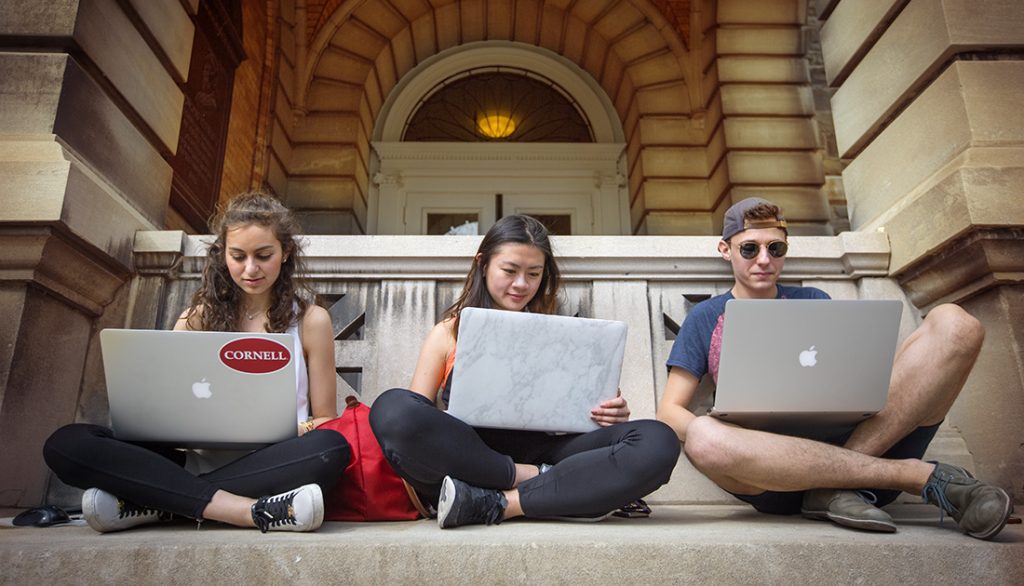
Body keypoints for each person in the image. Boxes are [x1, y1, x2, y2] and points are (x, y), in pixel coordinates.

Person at [657, 197, 1013, 540]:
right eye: (750, 249)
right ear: (726, 250)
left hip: (855, 439)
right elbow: (670, 412)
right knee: (703, 435)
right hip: (772, 471)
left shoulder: (813, 301)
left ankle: (829, 489)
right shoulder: (706, 317)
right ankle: (916, 477)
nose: (764, 260)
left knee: (956, 323)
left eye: (776, 249)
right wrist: (732, 428)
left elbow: (850, 381)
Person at [43, 193, 350, 533]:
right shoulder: (198, 317)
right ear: (223, 254)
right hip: (189, 459)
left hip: (268, 460)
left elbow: (325, 420)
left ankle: (156, 502)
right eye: (238, 256)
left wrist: (285, 428)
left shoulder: (311, 321)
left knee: (330, 449)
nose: (250, 269)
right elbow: (169, 401)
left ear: (286, 252)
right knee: (67, 444)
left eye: (264, 256)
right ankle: (249, 511)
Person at [370, 214, 680, 529]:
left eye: (534, 273)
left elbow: (586, 416)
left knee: (658, 440)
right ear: (483, 264)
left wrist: (609, 413)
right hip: (472, 459)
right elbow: (414, 418)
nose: (522, 284)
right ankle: (548, 484)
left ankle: (496, 504)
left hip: (549, 450)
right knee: (393, 409)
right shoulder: (448, 332)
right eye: (510, 270)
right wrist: (535, 472)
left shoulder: (566, 336)